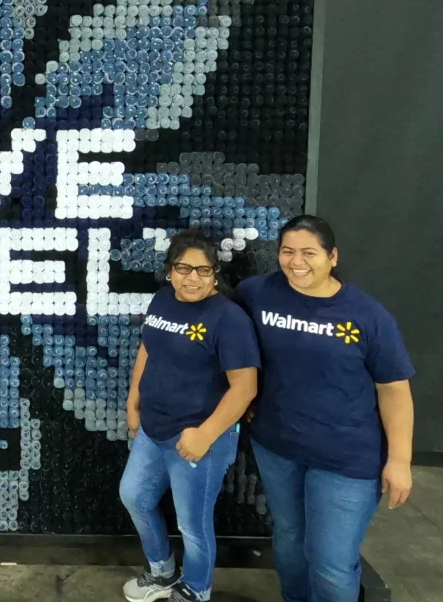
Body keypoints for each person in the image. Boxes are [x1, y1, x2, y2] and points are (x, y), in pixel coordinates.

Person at [237, 215, 415, 602]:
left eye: (308, 253)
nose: (296, 262)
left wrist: (399, 460)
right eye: (287, 251)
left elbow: (395, 389)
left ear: (332, 257)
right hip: (277, 446)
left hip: (346, 458)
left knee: (331, 563)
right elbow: (228, 340)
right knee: (288, 543)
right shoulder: (257, 293)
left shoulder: (367, 315)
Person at [120, 228, 260, 602]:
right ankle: (162, 572)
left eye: (203, 270)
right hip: (154, 427)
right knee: (134, 497)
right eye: (184, 268)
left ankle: (196, 589)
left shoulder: (229, 319)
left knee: (193, 525)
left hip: (201, 437)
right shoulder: (163, 301)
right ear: (170, 271)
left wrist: (206, 433)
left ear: (215, 273)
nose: (192, 278)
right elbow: (148, 349)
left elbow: (245, 387)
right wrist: (134, 401)